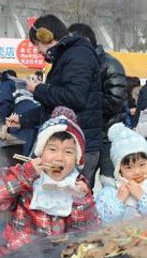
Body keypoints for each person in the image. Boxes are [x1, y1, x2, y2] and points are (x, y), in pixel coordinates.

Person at [0, 107, 99, 256]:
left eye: (68, 152)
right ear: (41, 152)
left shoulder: (78, 186)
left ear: (76, 159)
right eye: (52, 149)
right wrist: (23, 175)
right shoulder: (29, 179)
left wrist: (82, 201)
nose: (59, 158)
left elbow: (85, 236)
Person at [26, 14, 102, 187]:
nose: (37, 50)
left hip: (76, 147)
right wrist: (23, 119)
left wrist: (38, 89)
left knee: (71, 203)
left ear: (46, 37)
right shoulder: (69, 55)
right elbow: (55, 105)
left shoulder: (77, 55)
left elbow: (74, 97)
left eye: (37, 44)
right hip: (69, 143)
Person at [67, 23, 128, 188]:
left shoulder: (109, 64)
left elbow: (115, 101)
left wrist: (83, 100)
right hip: (86, 133)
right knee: (82, 186)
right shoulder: (79, 64)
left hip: (107, 134)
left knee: (110, 186)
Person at [95, 123, 147, 223]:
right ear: (119, 170)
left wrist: (141, 196)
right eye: (129, 167)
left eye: (142, 165)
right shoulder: (111, 191)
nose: (137, 171)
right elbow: (104, 220)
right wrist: (119, 199)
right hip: (120, 237)